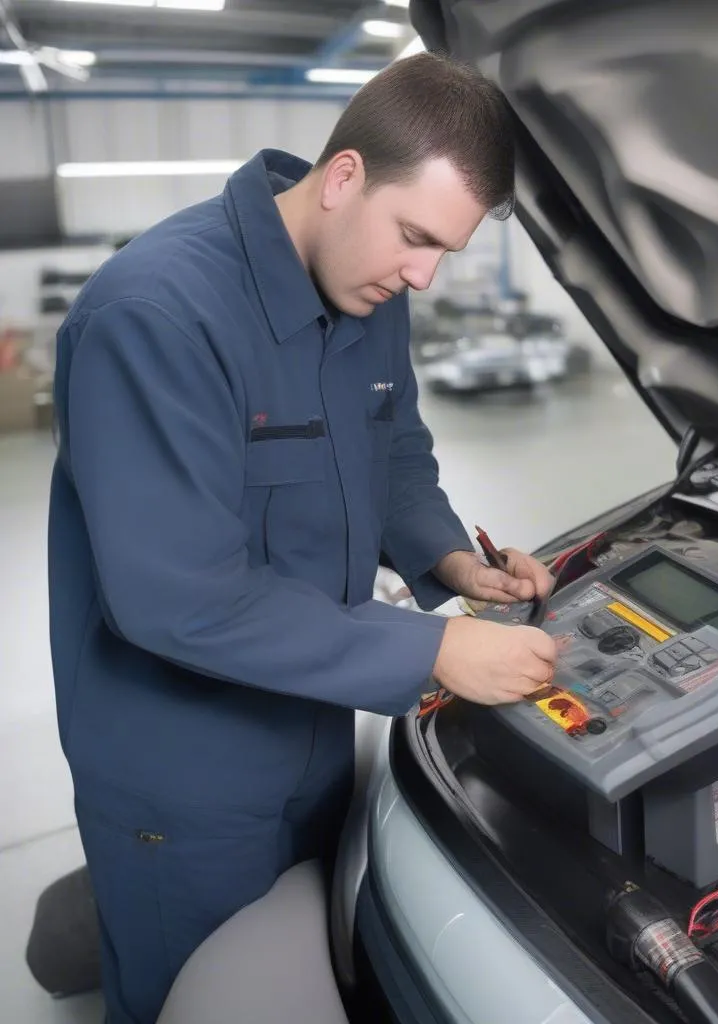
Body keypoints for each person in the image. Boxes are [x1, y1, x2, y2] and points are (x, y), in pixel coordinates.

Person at [47, 52, 558, 1024]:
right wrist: (437, 649)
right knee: (189, 1001)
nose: (424, 275)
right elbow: (179, 596)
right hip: (181, 778)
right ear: (343, 177)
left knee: (312, 969)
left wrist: (453, 565)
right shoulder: (154, 318)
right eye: (416, 238)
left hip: (316, 727)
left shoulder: (373, 292)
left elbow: (395, 451)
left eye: (443, 252)